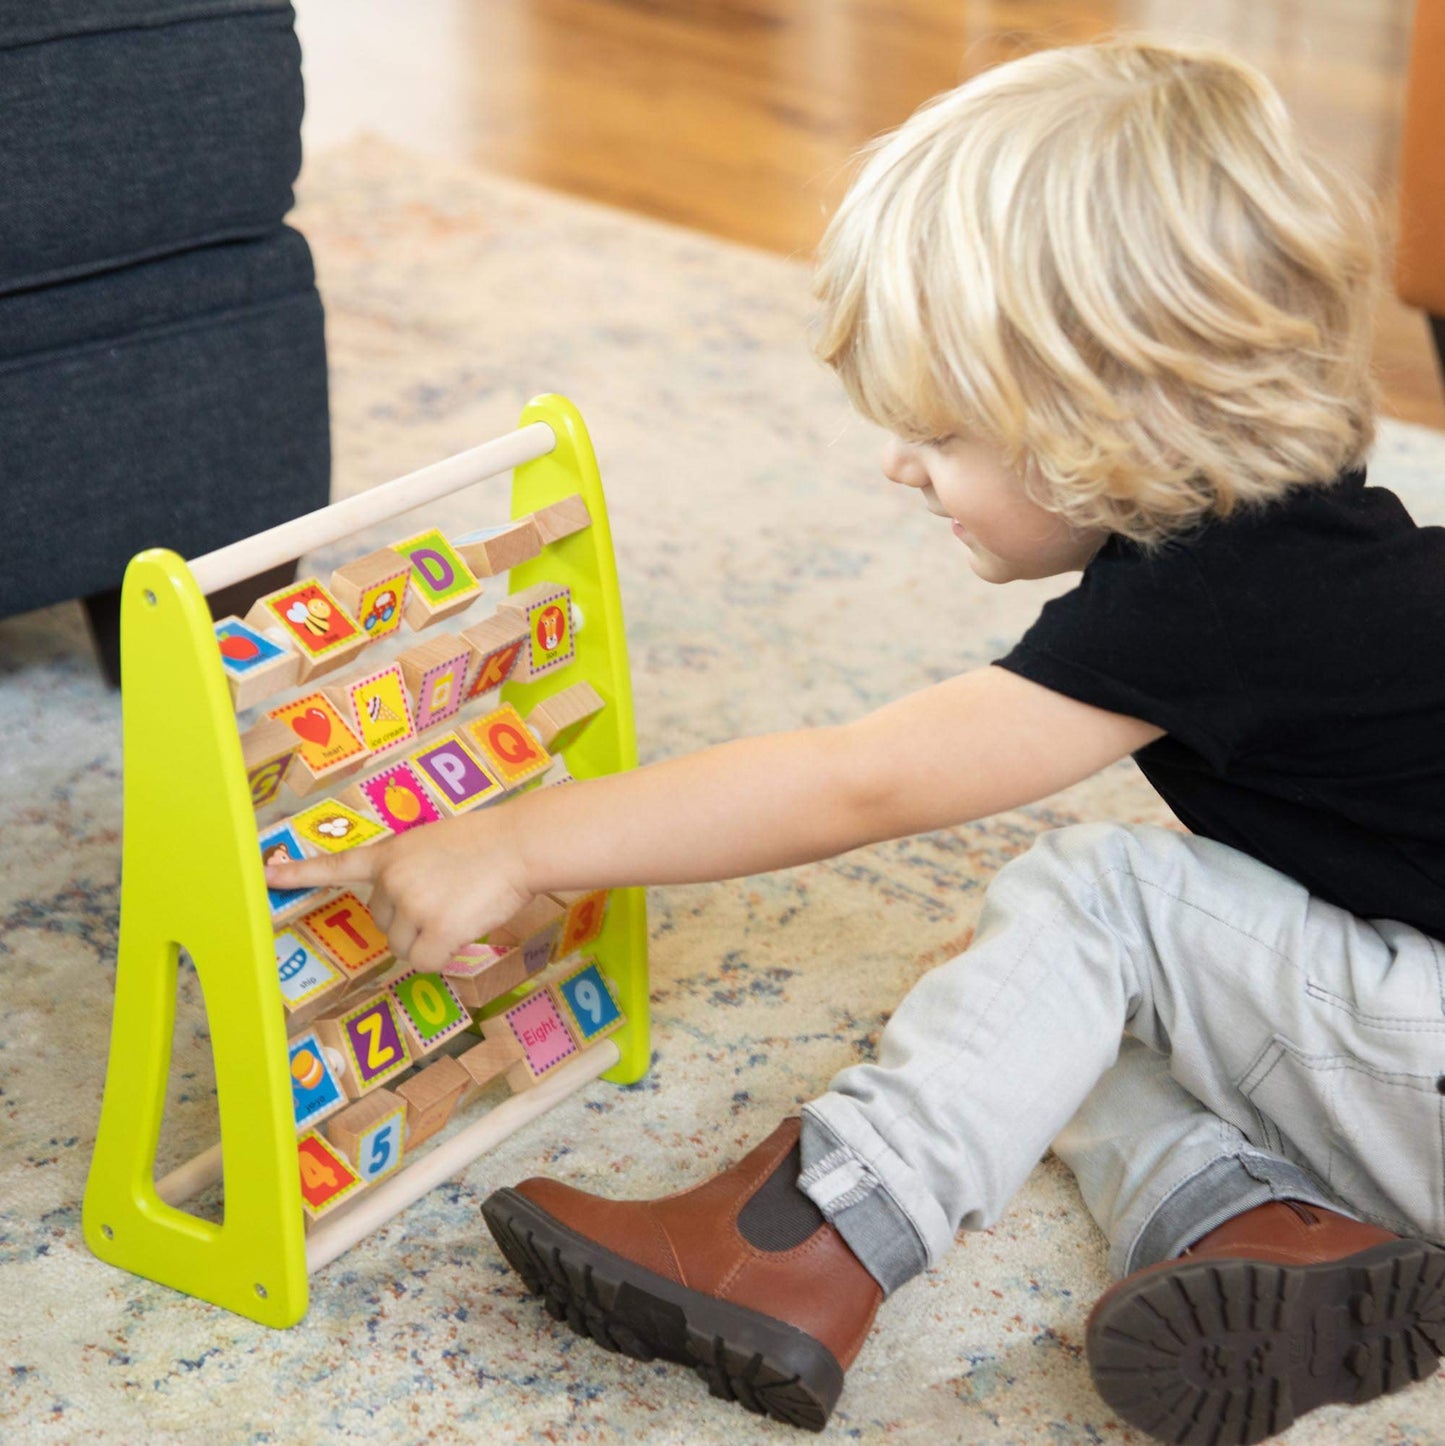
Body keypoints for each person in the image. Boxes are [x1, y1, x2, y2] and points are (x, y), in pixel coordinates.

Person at [266, 38, 1445, 1443]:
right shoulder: (1316, 539)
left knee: (1089, 902)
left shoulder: (1211, 600)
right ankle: (1257, 1226)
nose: (900, 464)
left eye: (940, 429)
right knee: (1033, 1013)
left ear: (1108, 416)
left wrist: (519, 836)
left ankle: (813, 1232)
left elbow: (858, 777)